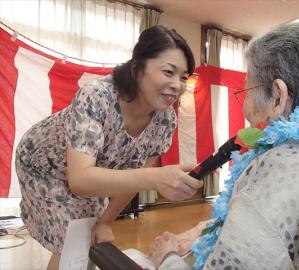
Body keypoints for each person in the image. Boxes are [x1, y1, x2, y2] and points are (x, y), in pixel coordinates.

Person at [147, 21, 299, 270]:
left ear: (278, 96)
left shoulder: (274, 170)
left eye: (247, 88)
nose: (246, 108)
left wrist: (167, 256)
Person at [15, 25, 203, 270]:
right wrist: (156, 178)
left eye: (183, 77)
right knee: (74, 238)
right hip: (42, 165)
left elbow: (135, 180)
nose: (177, 85)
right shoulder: (96, 96)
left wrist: (105, 221)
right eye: (168, 72)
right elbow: (81, 179)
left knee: (92, 234)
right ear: (137, 68)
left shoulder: (165, 119)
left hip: (87, 171)